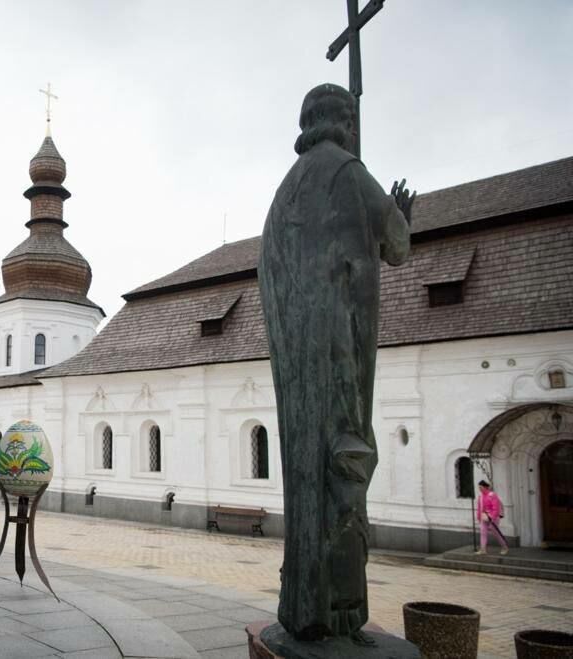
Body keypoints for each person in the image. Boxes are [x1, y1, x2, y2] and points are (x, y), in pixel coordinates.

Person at [258, 83, 414, 643]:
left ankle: (305, 606)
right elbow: (397, 244)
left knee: (309, 482)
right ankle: (344, 611)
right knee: (347, 469)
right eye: (349, 118)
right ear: (341, 121)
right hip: (341, 355)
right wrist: (400, 213)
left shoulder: (285, 192)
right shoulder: (348, 170)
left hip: (298, 367)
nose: (352, 128)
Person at [476, 480, 508, 555]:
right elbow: (479, 507)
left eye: (480, 487)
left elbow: (496, 508)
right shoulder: (480, 496)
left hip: (493, 518)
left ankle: (504, 547)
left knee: (496, 533)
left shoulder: (492, 495)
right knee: (483, 532)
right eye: (479, 487)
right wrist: (478, 517)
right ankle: (483, 549)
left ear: (485, 487)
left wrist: (492, 518)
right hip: (484, 517)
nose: (479, 489)